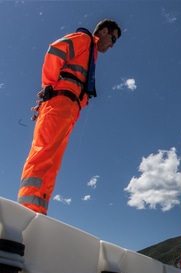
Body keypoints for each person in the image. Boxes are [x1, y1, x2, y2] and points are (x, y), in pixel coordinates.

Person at [17, 19, 122, 215]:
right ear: (105, 31)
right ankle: (26, 208)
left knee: (53, 161)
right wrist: (49, 86)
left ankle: (38, 209)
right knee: (44, 153)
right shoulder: (84, 39)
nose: (112, 45)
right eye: (113, 39)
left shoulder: (92, 54)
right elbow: (55, 50)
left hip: (69, 108)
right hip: (60, 102)